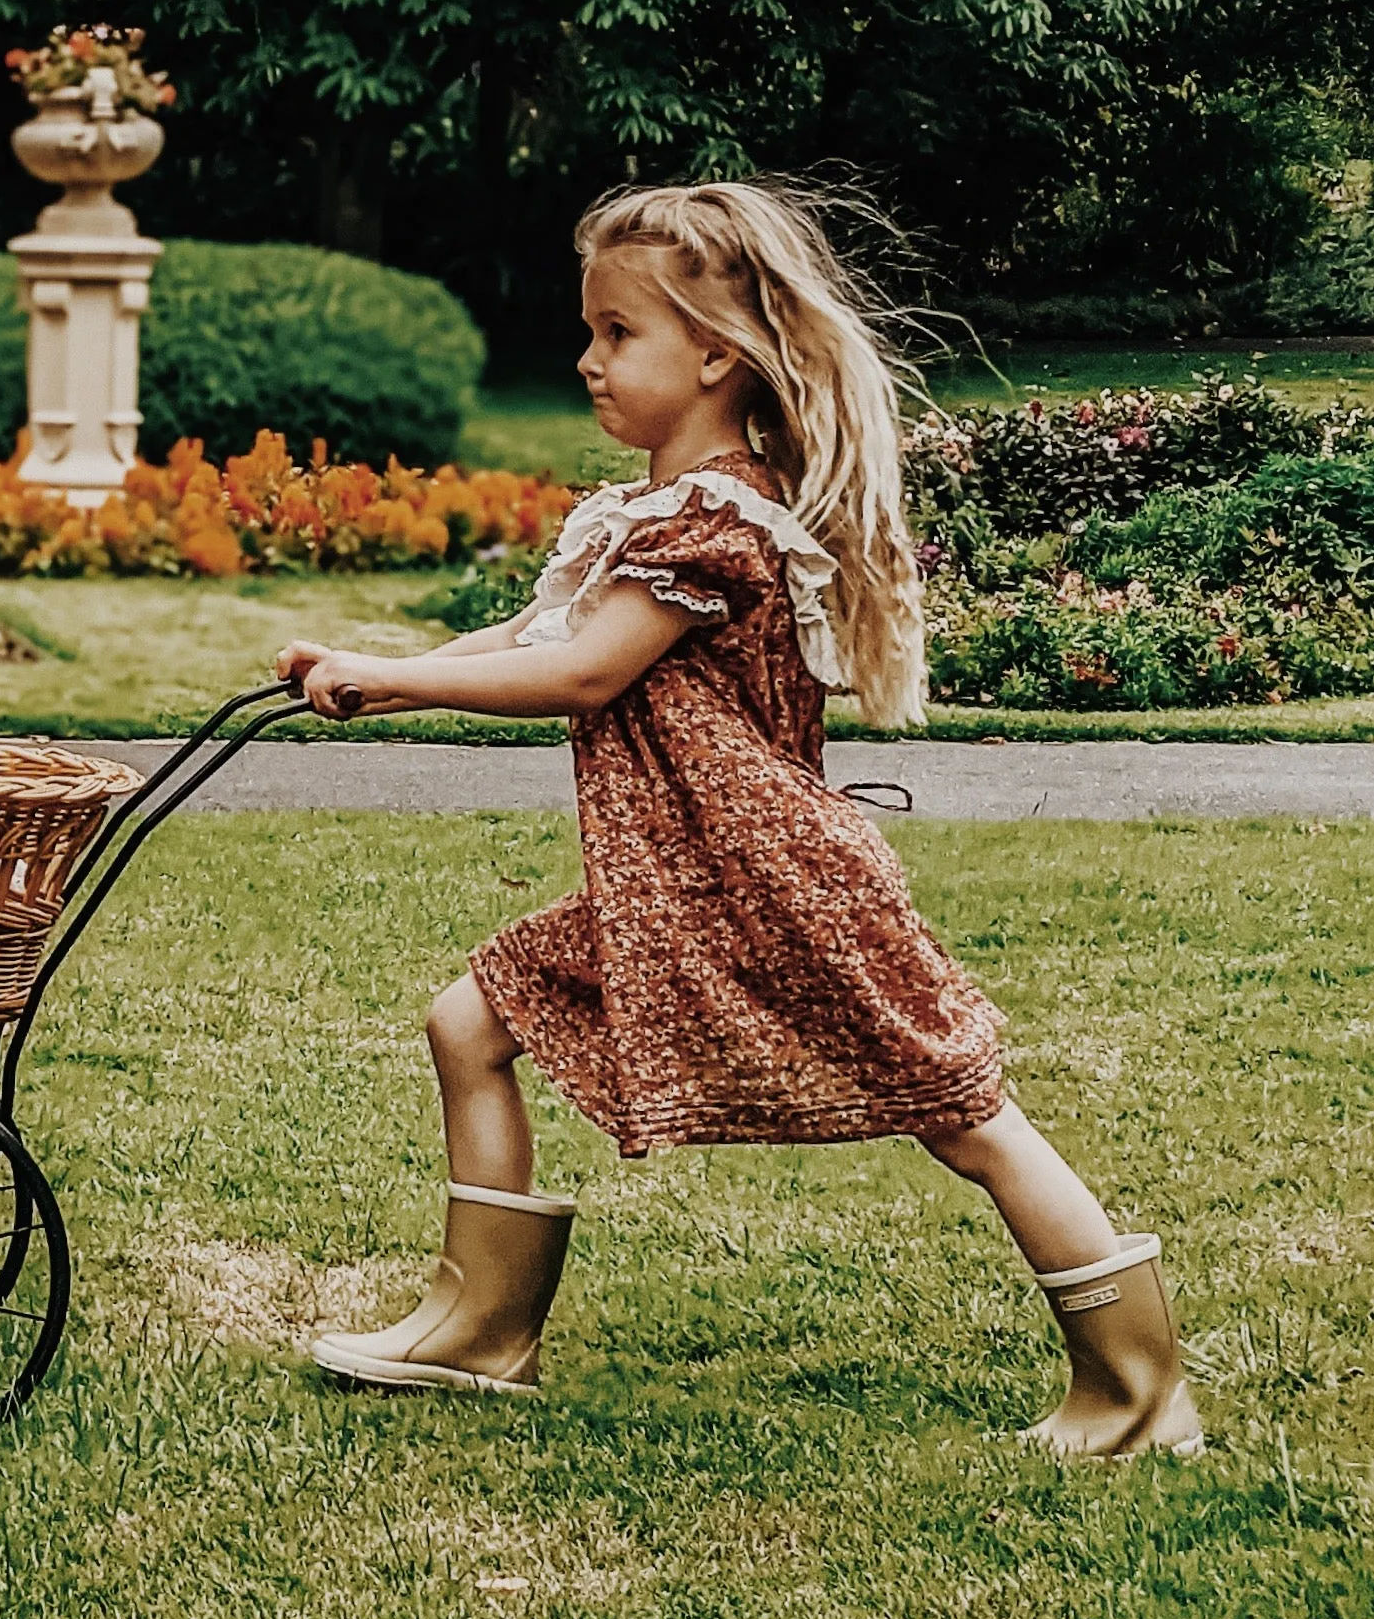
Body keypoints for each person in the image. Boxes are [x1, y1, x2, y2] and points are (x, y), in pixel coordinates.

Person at [276, 178, 1202, 1458]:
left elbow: (586, 669)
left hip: (775, 876)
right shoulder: (651, 513)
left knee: (963, 1112)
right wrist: (379, 664)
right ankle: (482, 1327)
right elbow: (538, 632)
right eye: (591, 331)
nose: (588, 360)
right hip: (676, 882)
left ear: (715, 354)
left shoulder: (720, 517)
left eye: (617, 334)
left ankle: (1140, 1386)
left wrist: (395, 683)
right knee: (467, 1022)